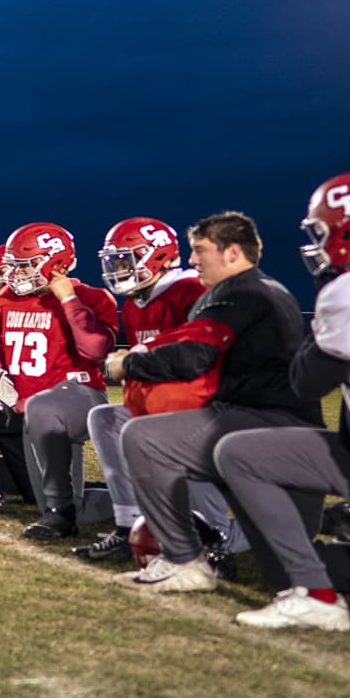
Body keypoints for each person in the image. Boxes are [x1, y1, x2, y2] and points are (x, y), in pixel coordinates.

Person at [108, 211, 322, 592]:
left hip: (261, 424)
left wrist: (130, 363)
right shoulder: (264, 289)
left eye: (200, 251)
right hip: (276, 424)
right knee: (282, 564)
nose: (191, 261)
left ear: (232, 252)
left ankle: (183, 559)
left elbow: (193, 355)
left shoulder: (237, 293)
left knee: (143, 436)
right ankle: (333, 530)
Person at [211, 172, 350, 630]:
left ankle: (316, 586)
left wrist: (328, 296)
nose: (320, 245)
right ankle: (317, 582)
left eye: (323, 232)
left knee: (239, 453)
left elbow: (307, 382)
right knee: (244, 453)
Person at [0, 223, 116, 516]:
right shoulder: (7, 298)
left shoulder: (90, 297)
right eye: (13, 267)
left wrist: (68, 299)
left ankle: (131, 506)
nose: (15, 274)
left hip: (67, 402)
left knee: (58, 504)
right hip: (16, 402)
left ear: (55, 262)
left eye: (24, 266)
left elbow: (95, 350)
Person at [77, 218, 211, 561]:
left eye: (126, 260)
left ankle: (208, 531)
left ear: (158, 256)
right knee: (106, 418)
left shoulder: (191, 290)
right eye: (115, 262)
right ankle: (128, 523)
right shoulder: (136, 300)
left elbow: (201, 357)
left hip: (200, 408)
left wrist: (136, 359)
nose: (120, 270)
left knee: (205, 519)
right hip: (159, 406)